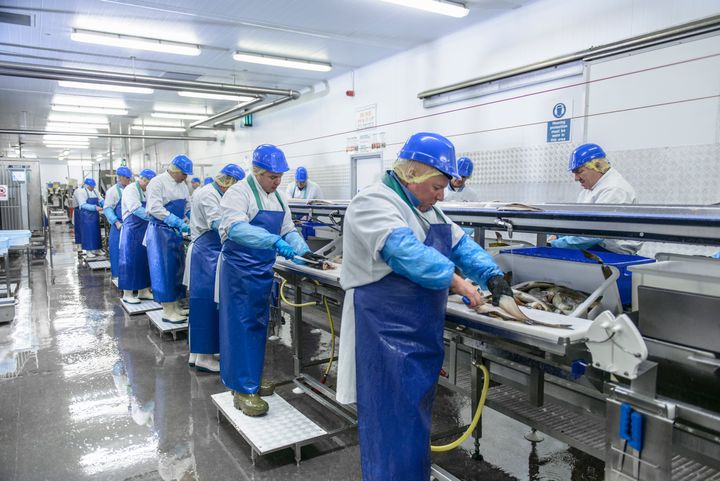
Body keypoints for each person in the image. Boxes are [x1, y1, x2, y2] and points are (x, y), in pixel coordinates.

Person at [336, 132, 514, 481]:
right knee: (390, 420)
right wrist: (457, 281)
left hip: (420, 328)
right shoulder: (373, 201)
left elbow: (460, 245)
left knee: (414, 417)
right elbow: (404, 252)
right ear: (413, 174)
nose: (441, 195)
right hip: (383, 329)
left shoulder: (429, 209)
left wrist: (493, 276)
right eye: (436, 186)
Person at [218, 144, 312, 416]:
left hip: (262, 269)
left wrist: (303, 250)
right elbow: (236, 229)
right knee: (240, 327)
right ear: (257, 172)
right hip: (239, 270)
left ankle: (252, 380)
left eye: (280, 176)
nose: (278, 181)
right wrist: (273, 241)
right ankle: (241, 389)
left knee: (259, 326)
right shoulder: (239, 193)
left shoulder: (278, 197)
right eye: (273, 177)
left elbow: (288, 228)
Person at [186, 164, 245, 373]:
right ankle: (205, 357)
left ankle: (198, 353)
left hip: (211, 251)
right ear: (229, 182)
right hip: (206, 253)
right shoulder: (208, 194)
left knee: (204, 302)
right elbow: (217, 223)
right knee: (207, 303)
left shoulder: (213, 191)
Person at [550, 143, 641, 254]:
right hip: (592, 248)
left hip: (612, 254)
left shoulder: (614, 189)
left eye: (579, 171)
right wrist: (559, 235)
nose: (576, 178)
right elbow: (578, 224)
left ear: (598, 166)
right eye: (574, 173)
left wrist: (555, 244)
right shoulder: (589, 189)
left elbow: (595, 233)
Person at [145, 155, 192, 323]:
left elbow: (187, 205)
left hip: (176, 232)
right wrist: (175, 221)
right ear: (175, 171)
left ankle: (176, 305)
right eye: (184, 174)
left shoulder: (183, 185)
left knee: (176, 268)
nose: (186, 178)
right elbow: (154, 208)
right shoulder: (157, 182)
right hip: (160, 231)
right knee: (164, 270)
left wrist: (189, 218)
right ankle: (167, 310)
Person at [118, 169, 156, 304]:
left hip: (144, 230)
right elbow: (135, 208)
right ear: (143, 180)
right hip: (132, 230)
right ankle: (127, 293)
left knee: (143, 260)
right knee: (130, 260)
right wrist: (154, 217)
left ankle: (143, 291)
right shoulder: (130, 189)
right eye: (149, 183)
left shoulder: (147, 191)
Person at [103, 166, 133, 282]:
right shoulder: (113, 191)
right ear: (120, 178)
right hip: (118, 227)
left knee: (130, 253)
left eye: (129, 178)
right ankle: (118, 277)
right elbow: (107, 209)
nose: (128, 180)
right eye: (126, 178)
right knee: (117, 251)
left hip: (131, 226)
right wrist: (116, 222)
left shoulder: (131, 189)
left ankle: (131, 278)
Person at [74, 178, 104, 257]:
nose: (93, 188)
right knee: (88, 233)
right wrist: (95, 207)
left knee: (96, 232)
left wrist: (106, 204)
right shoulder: (81, 192)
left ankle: (97, 249)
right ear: (86, 185)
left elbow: (100, 199)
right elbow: (83, 205)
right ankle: (89, 250)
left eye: (93, 186)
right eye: (91, 186)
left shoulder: (95, 191)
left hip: (95, 215)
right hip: (86, 215)